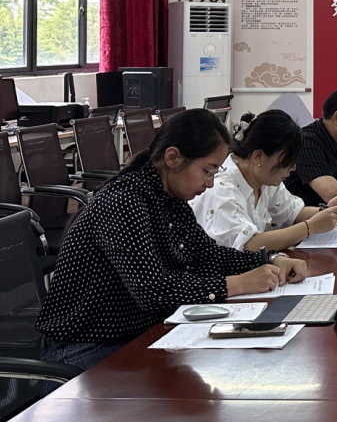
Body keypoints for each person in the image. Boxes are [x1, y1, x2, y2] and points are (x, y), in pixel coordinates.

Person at [37, 109, 308, 374]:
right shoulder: (123, 202)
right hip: (87, 347)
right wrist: (238, 283)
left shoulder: (170, 198)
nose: (210, 183)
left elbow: (208, 255)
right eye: (208, 171)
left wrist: (270, 259)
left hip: (141, 333)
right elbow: (153, 292)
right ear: (173, 158)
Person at [191, 109, 337, 251]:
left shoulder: (265, 179)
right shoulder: (221, 189)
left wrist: (326, 211)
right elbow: (248, 245)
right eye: (286, 162)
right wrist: (309, 227)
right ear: (259, 156)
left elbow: (292, 212)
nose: (292, 168)